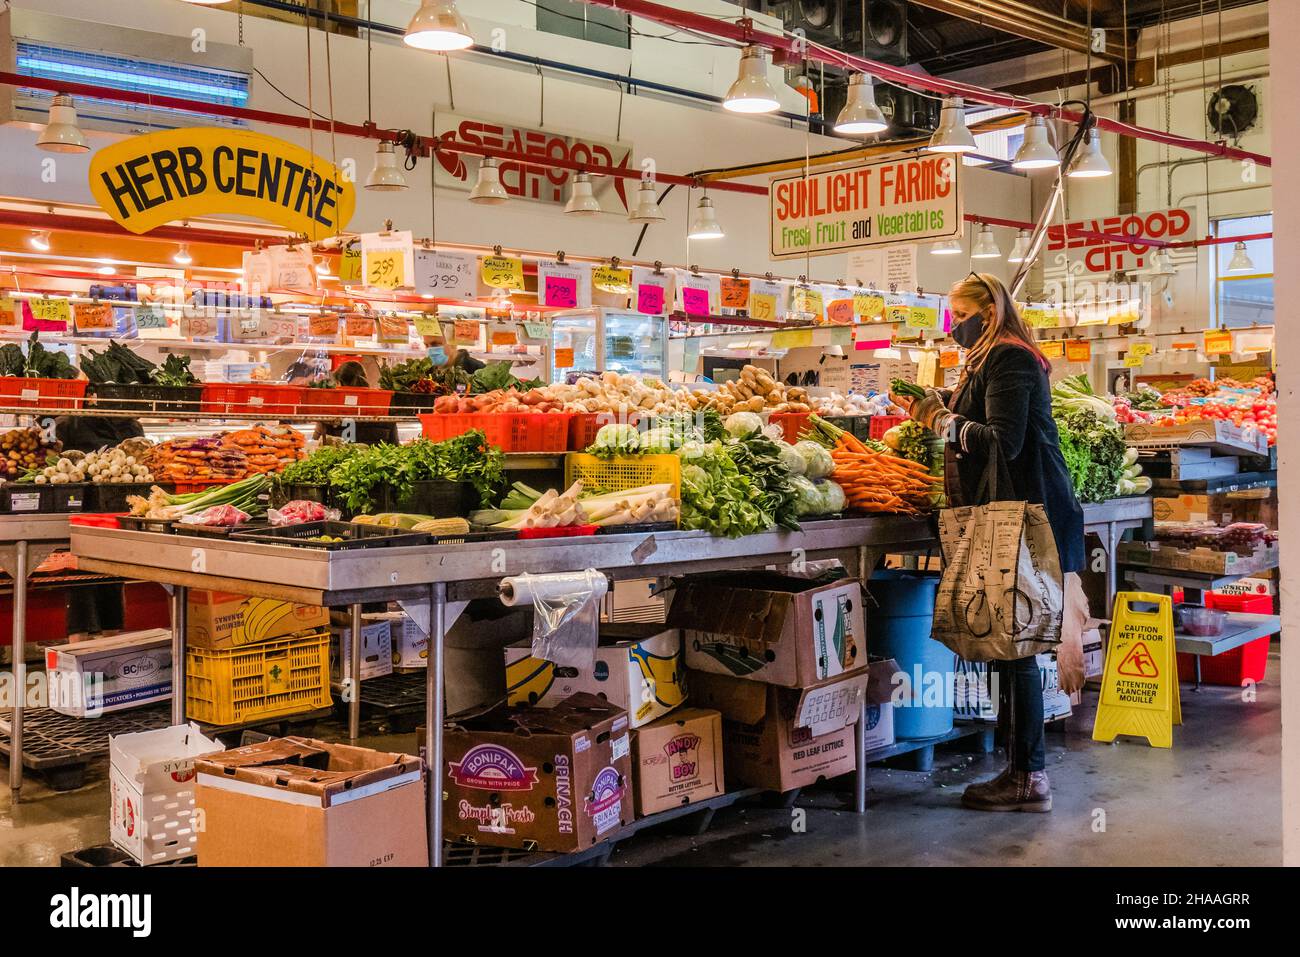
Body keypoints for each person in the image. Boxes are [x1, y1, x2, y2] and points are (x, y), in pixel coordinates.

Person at [893, 272, 1085, 813]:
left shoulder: (1011, 358)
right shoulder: (985, 357)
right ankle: (1021, 771)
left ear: (990, 311)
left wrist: (942, 420)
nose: (955, 325)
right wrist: (942, 409)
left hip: (1025, 510)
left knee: (1018, 645)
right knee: (1010, 641)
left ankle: (1028, 778)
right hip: (1005, 509)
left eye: (960, 315)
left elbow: (1004, 439)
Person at [318, 360, 399, 445]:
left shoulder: (331, 411)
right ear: (365, 379)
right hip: (378, 457)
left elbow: (318, 444)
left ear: (340, 383)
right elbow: (395, 445)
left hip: (344, 458)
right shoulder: (382, 407)